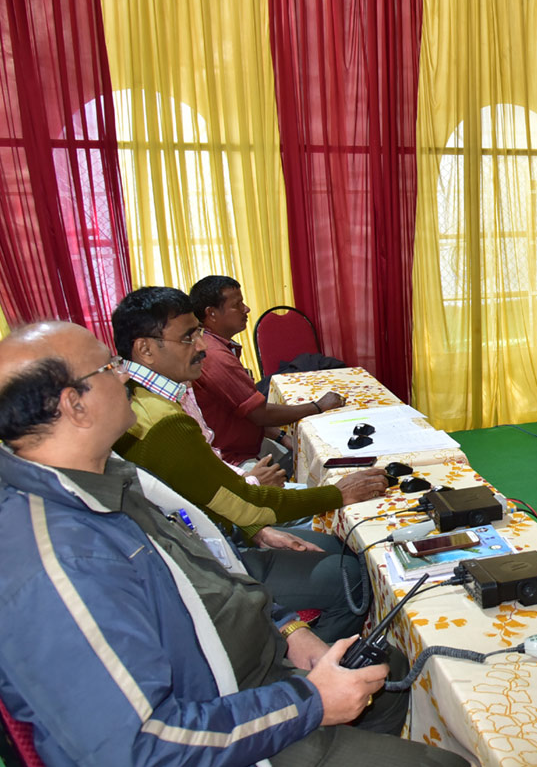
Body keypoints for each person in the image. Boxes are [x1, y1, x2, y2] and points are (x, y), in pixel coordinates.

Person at [0, 321, 467, 767]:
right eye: (108, 368)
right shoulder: (58, 563)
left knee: (386, 670)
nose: (125, 376)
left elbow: (209, 571)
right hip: (223, 715)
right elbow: (134, 749)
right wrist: (310, 703)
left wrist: (287, 630)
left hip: (245, 667)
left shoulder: (103, 479)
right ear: (74, 405)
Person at [111, 286, 390, 641]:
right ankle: (311, 673)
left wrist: (255, 528)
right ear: (145, 349)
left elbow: (208, 495)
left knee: (340, 545)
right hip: (206, 565)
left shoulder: (153, 396)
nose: (201, 346)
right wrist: (337, 494)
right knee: (352, 574)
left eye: (198, 333)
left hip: (207, 536)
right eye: (188, 337)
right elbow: (246, 501)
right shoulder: (162, 421)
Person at [188, 274, 343, 467]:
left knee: (308, 449)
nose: (246, 309)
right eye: (237, 305)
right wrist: (318, 406)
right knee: (319, 460)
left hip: (250, 442)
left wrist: (280, 436)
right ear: (211, 313)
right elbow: (258, 413)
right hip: (233, 458)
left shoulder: (216, 345)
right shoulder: (214, 355)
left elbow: (241, 411)